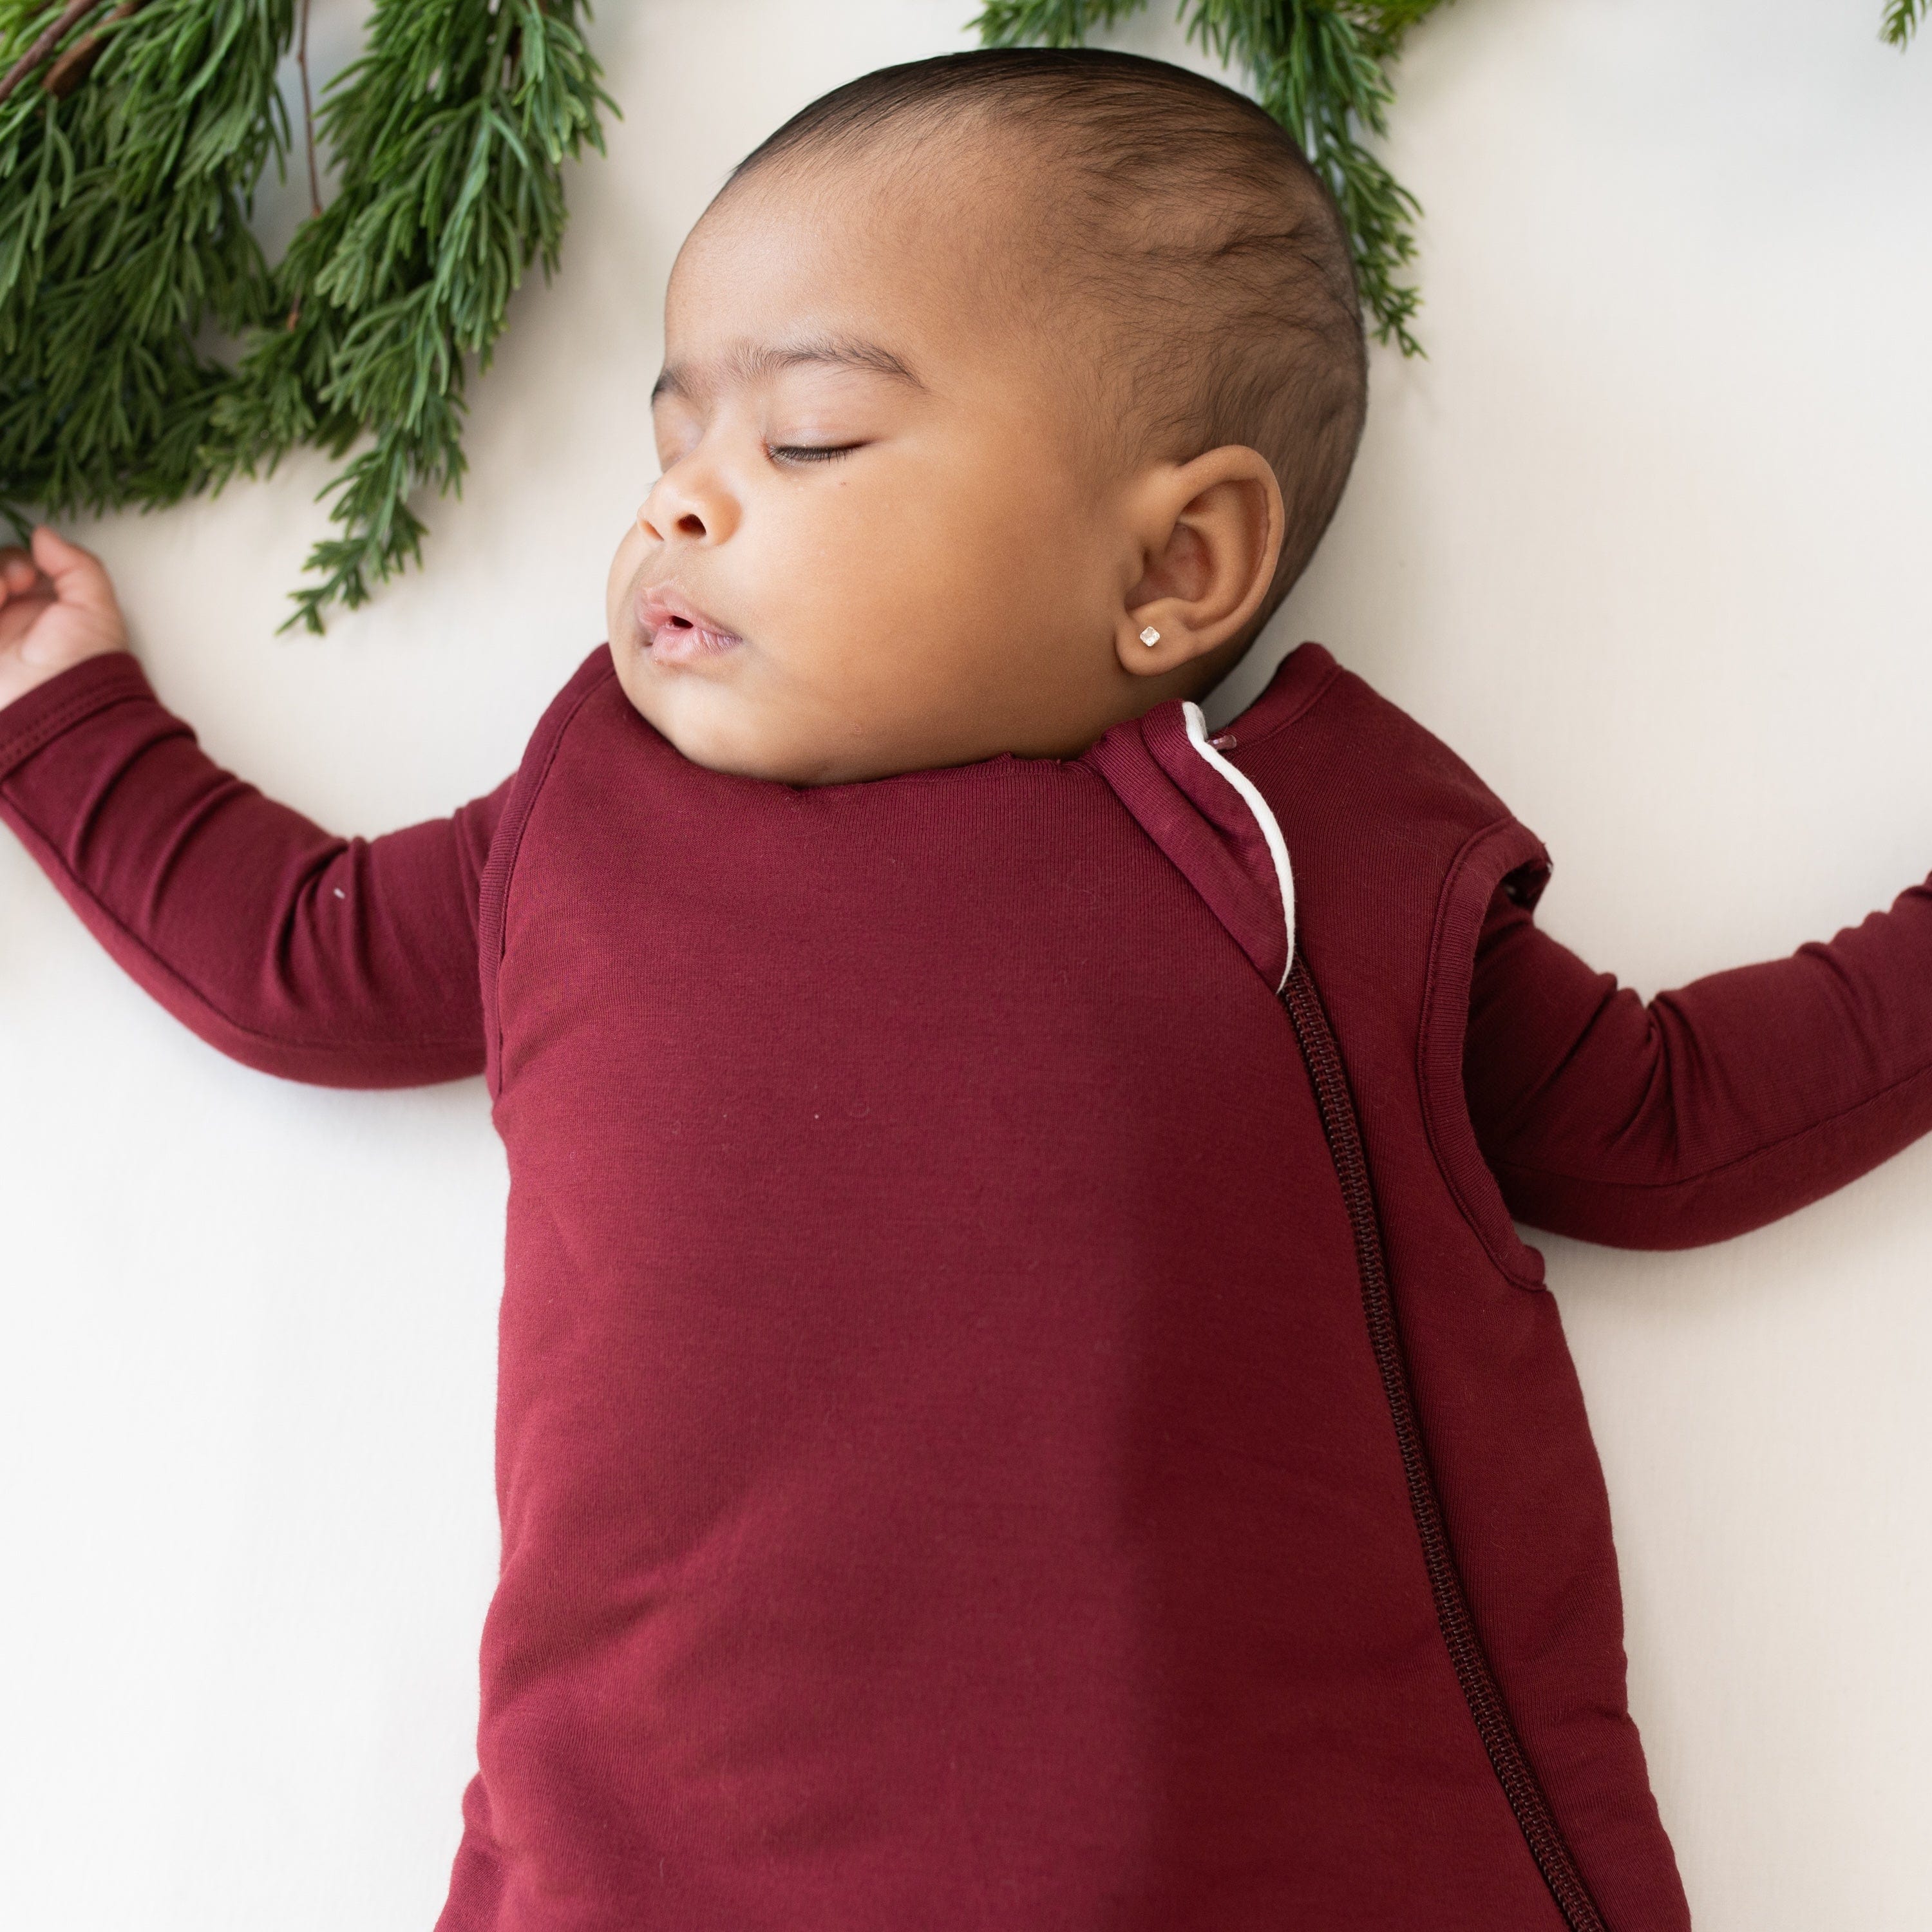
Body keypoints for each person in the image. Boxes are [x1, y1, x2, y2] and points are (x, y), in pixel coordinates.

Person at [1, 47, 1927, 1932]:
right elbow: (299, 960)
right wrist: (63, 709)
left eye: (806, 437)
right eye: (671, 439)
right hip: (648, 1862)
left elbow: (1662, 1122)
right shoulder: (590, 812)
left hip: (1260, 1846)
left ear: (1179, 560)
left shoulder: (1304, 844)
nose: (681, 502)